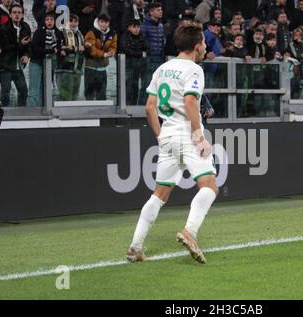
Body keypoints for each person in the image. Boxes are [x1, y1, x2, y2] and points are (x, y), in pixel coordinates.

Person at [127, 23, 218, 264]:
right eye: (204, 43)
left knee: (159, 194)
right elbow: (190, 103)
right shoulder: (194, 70)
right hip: (187, 134)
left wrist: (160, 135)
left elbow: (149, 107)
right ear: (197, 46)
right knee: (209, 186)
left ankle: (135, 247)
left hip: (167, 133)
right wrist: (199, 136)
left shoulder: (163, 68)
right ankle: (190, 231)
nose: (205, 46)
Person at [0, 3, 31, 107]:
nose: (17, 15)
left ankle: (21, 114)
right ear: (10, 15)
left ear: (22, 14)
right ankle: (5, 117)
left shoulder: (26, 27)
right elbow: (5, 48)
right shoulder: (4, 29)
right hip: (6, 66)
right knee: (5, 94)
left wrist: (27, 55)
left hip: (18, 67)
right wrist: (20, 44)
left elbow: (28, 46)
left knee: (24, 91)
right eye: (14, 12)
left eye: (19, 12)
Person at [84, 13, 117, 101]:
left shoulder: (112, 33)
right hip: (90, 66)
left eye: (106, 22)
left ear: (109, 23)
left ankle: (102, 113)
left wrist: (112, 52)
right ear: (98, 22)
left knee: (102, 94)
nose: (104, 24)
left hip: (102, 67)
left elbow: (113, 46)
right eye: (102, 22)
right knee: (89, 93)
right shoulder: (91, 32)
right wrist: (104, 54)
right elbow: (92, 49)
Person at [55, 14, 86, 101]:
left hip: (77, 69)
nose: (73, 23)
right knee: (65, 95)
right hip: (65, 69)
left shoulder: (79, 34)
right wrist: (75, 49)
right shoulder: (61, 32)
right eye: (71, 21)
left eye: (75, 21)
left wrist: (85, 47)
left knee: (74, 95)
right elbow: (59, 47)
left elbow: (83, 49)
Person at [119, 19, 149, 106]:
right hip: (128, 65)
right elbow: (126, 50)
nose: (136, 29)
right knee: (128, 86)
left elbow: (148, 49)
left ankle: (134, 106)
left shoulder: (142, 36)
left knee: (135, 87)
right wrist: (140, 53)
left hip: (139, 65)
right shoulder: (125, 37)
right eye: (134, 27)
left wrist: (136, 53)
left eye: (138, 27)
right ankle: (126, 106)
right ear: (129, 28)